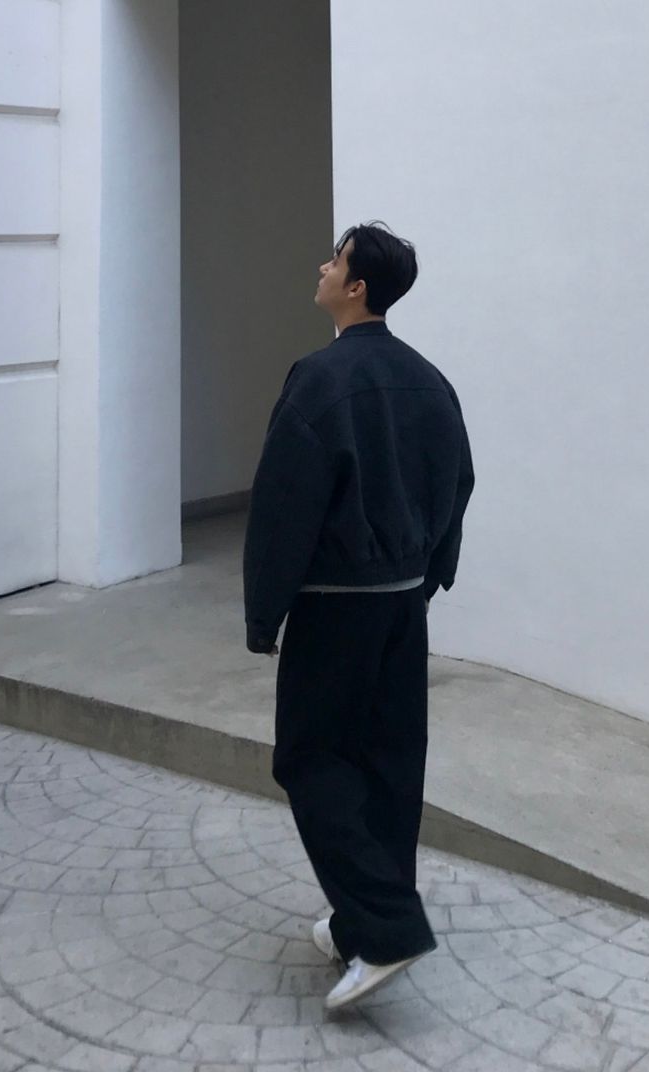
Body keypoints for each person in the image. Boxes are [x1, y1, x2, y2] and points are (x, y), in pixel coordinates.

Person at [243, 221, 474, 1010]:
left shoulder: (319, 379)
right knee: (390, 762)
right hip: (402, 605)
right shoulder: (429, 379)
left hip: (335, 610)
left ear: (356, 287)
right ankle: (361, 925)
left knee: (311, 759)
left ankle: (387, 928)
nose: (322, 267)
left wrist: (265, 612)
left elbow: (283, 505)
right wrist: (430, 574)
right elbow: (458, 483)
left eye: (334, 260)